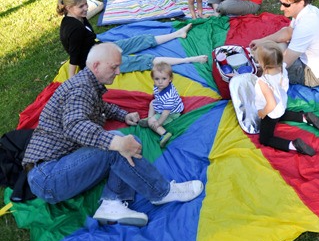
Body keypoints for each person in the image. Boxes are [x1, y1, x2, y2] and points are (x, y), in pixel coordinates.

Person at [22, 42, 204, 226]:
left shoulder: (86, 84)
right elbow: (75, 125)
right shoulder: (80, 90)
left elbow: (99, 107)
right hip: (48, 177)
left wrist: (123, 115)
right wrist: (115, 142)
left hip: (53, 171)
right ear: (96, 66)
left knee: (128, 142)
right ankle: (161, 192)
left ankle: (112, 202)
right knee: (117, 145)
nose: (118, 72)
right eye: (114, 67)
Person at [57, 0, 208, 78]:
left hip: (100, 49)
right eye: (81, 7)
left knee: (140, 40)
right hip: (98, 63)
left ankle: (177, 34)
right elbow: (74, 58)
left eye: (86, 5)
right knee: (144, 59)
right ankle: (189, 59)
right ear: (69, 8)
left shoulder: (77, 18)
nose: (86, 9)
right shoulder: (74, 28)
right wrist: (73, 81)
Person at [250, 0, 319, 87]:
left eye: (286, 5)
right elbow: (287, 32)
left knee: (267, 62)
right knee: (275, 46)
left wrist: (260, 68)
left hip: (313, 75)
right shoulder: (308, 10)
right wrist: (261, 41)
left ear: (300, 3)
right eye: (281, 3)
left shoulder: (306, 26)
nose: (281, 8)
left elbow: (285, 62)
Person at [255, 42, 319, 157]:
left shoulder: (263, 82)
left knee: (265, 139)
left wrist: (263, 112)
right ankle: (305, 117)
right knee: (281, 114)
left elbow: (271, 104)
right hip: (281, 103)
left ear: (263, 65)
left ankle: (293, 145)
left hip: (271, 111)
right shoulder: (282, 67)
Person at [139, 62, 184, 148]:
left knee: (153, 122)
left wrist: (158, 123)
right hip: (162, 105)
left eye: (164, 78)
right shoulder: (159, 86)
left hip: (172, 113)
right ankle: (149, 119)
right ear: (153, 78)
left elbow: (165, 113)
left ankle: (164, 133)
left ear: (170, 79)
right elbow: (157, 97)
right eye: (157, 79)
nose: (160, 82)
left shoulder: (169, 96)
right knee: (152, 103)